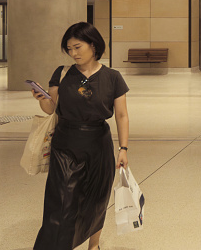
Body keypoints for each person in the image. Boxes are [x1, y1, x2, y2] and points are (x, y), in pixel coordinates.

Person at [32, 22, 130, 250]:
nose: (73, 53)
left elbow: (122, 116)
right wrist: (41, 98)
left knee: (97, 198)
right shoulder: (63, 73)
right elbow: (51, 108)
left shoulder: (113, 77)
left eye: (77, 47)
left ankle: (93, 245)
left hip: (99, 143)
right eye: (69, 49)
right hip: (66, 143)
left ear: (93, 45)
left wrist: (123, 149)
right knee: (62, 201)